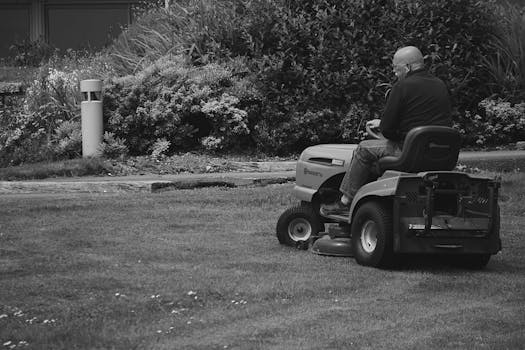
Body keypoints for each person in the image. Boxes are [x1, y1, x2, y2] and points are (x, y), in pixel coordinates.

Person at [320, 46, 453, 216]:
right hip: (440, 153)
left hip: (410, 153)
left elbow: (388, 130)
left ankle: (345, 201)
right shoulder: (440, 85)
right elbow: (424, 117)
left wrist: (386, 128)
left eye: (396, 69)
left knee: (364, 149)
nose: (394, 73)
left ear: (407, 67)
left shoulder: (402, 87)